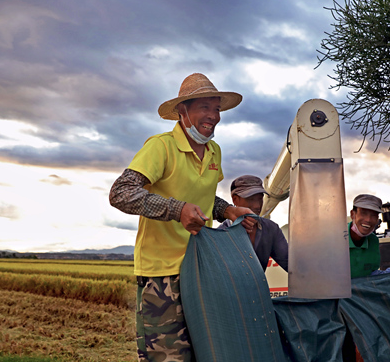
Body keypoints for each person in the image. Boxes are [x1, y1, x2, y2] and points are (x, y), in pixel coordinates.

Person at [109, 73, 253, 362]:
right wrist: (177, 210)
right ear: (182, 111)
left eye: (216, 109)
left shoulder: (214, 151)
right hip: (161, 275)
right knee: (167, 357)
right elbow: (120, 193)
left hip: (202, 268)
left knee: (206, 353)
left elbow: (204, 197)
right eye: (204, 107)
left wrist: (227, 210)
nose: (213, 116)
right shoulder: (161, 147)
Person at [217, 174, 288, 272]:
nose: (257, 205)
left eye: (260, 199)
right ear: (235, 200)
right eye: (250, 199)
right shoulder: (219, 235)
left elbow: (291, 264)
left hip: (258, 287)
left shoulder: (271, 229)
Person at [348, 194, 390, 278]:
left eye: (373, 215)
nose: (368, 220)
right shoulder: (334, 238)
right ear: (352, 214)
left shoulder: (373, 241)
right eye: (363, 213)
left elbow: (370, 274)